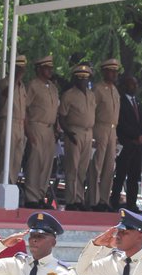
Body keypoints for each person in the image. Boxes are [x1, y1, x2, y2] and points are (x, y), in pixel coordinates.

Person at [23, 56, 60, 209]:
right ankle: (31, 197)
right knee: (35, 163)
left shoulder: (52, 87)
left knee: (46, 164)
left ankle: (40, 196)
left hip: (49, 128)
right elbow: (24, 108)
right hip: (36, 125)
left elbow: (55, 110)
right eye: (46, 68)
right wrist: (28, 131)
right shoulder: (33, 85)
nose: (50, 70)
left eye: (51, 68)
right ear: (39, 69)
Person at [58, 64, 96, 210]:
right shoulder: (69, 95)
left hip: (88, 132)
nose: (83, 81)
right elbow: (61, 117)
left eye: (85, 79)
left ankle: (79, 198)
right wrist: (68, 132)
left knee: (82, 168)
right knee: (72, 167)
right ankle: (70, 199)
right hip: (74, 131)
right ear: (75, 79)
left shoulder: (91, 95)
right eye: (80, 79)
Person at [86, 59, 121, 212]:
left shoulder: (114, 90)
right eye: (111, 71)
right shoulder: (98, 89)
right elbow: (91, 111)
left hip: (112, 130)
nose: (114, 74)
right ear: (105, 72)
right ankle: (93, 199)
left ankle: (104, 199)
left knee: (109, 167)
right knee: (97, 165)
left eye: (115, 71)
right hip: (100, 127)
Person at [111, 74, 142, 212]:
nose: (135, 87)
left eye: (136, 84)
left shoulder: (137, 103)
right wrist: (135, 135)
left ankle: (131, 204)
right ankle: (114, 202)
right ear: (126, 86)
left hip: (137, 146)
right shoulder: (121, 102)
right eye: (132, 84)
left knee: (134, 176)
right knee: (121, 174)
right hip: (126, 143)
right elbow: (121, 123)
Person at [0, 55, 28, 188]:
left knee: (17, 158)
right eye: (19, 67)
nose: (21, 70)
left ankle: (12, 184)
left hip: (20, 124)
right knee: (6, 157)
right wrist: (15, 79)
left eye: (23, 68)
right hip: (8, 122)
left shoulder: (22, 86)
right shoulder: (5, 82)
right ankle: (2, 184)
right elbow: (5, 94)